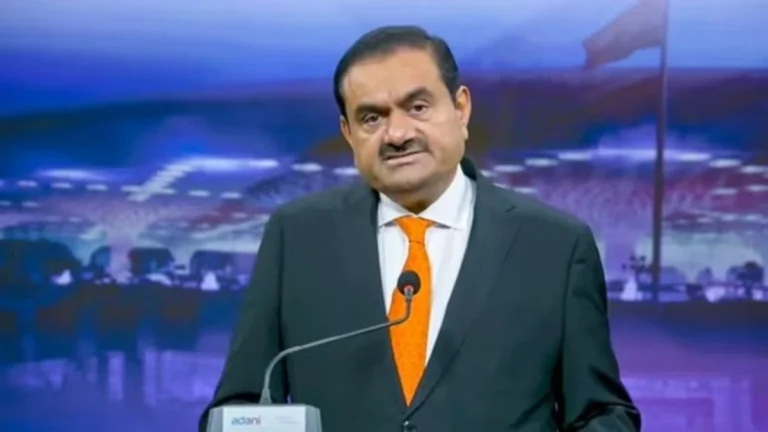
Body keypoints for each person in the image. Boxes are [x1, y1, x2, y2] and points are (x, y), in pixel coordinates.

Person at [200, 25, 640, 431]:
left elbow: (602, 413)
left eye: (418, 107)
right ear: (348, 133)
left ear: (461, 108)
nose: (396, 133)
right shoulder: (297, 236)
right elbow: (241, 405)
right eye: (371, 118)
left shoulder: (555, 245)